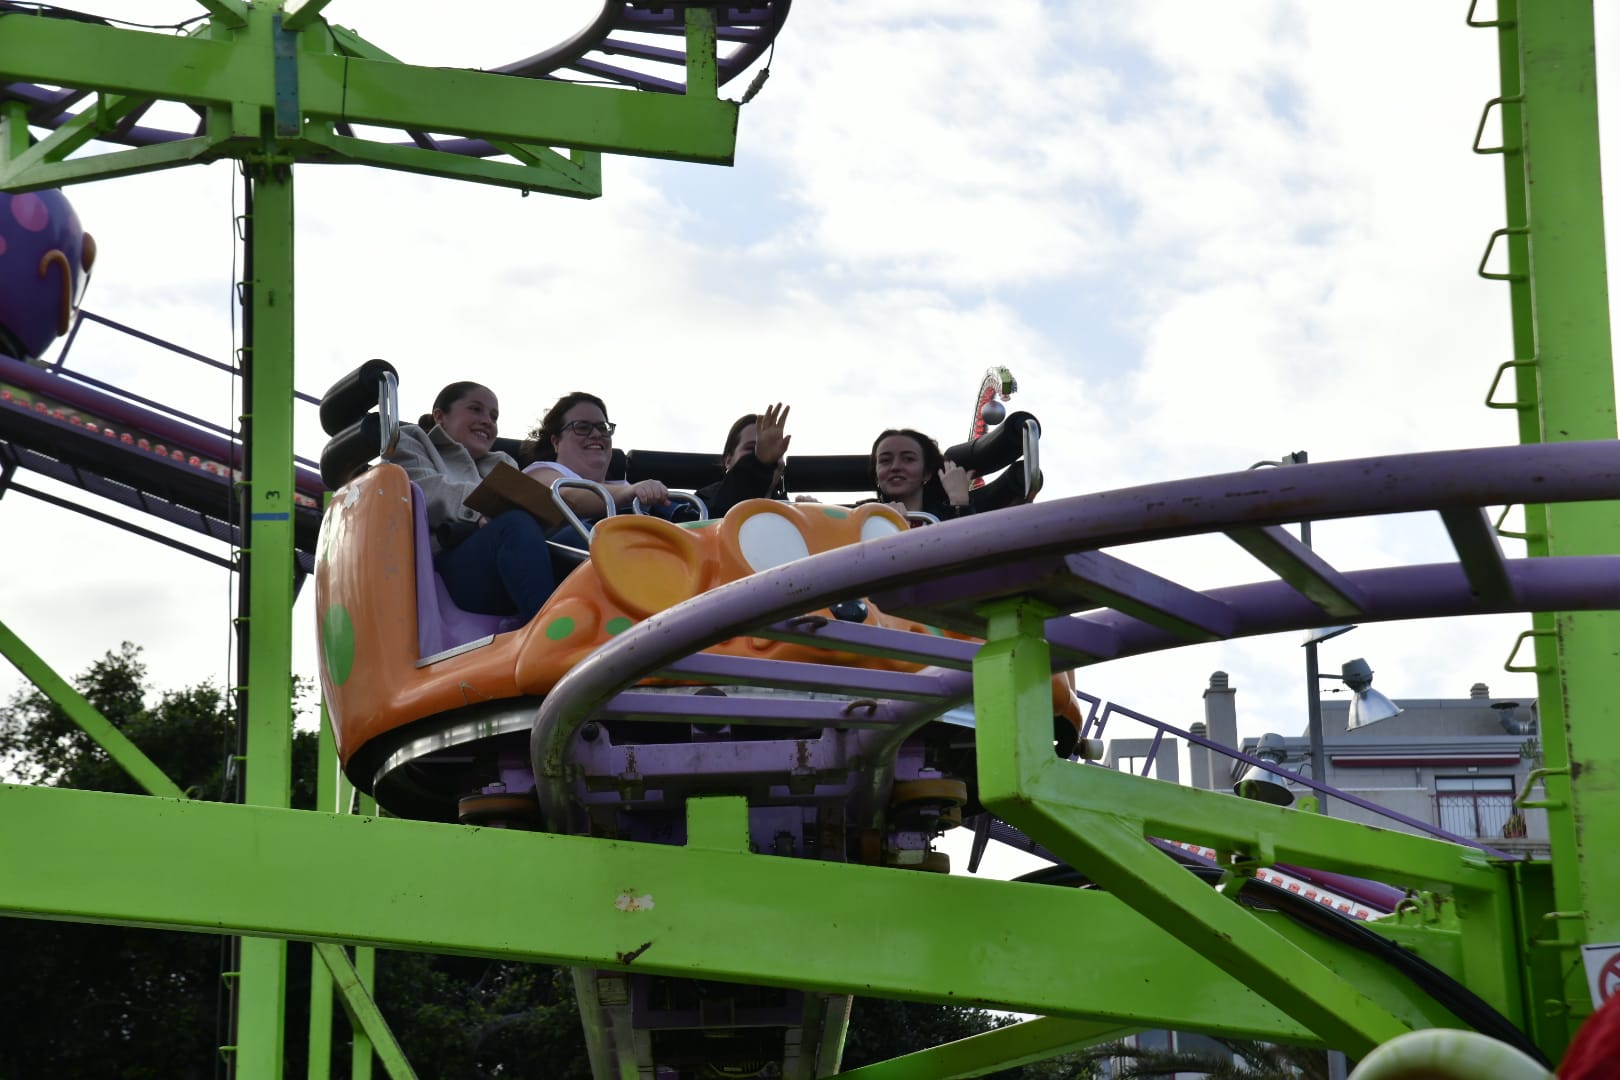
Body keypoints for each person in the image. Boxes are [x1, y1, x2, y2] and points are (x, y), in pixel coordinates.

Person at [387, 381, 555, 622]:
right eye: (476, 409)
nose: (488, 420)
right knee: (514, 523)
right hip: (444, 570)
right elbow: (424, 491)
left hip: (505, 564)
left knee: (572, 538)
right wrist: (483, 509)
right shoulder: (411, 441)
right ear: (440, 416)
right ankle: (553, 631)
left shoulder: (502, 463)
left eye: (494, 416)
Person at [521, 392, 672, 539]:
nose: (596, 434)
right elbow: (569, 498)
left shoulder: (624, 486)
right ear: (556, 442)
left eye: (602, 428)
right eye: (582, 427)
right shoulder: (540, 472)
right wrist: (631, 492)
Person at [695, 403, 792, 517]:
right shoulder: (700, 506)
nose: (768, 455)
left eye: (775, 450)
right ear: (728, 461)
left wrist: (813, 517)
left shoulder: (795, 511)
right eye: (751, 448)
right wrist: (759, 464)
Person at [868, 428, 975, 521]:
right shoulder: (860, 518)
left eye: (908, 459)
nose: (895, 467)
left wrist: (960, 504)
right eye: (885, 460)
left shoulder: (943, 517)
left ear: (927, 472)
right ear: (876, 474)